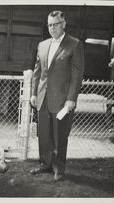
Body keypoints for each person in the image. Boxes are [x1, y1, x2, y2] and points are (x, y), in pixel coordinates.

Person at [30, 11, 85, 181]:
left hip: (62, 100)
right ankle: (45, 164)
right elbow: (37, 73)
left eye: (55, 24)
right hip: (42, 97)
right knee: (44, 135)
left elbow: (77, 75)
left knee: (59, 136)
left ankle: (58, 169)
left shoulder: (75, 45)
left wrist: (71, 99)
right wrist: (33, 94)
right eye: (49, 25)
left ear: (64, 24)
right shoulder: (42, 45)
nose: (52, 28)